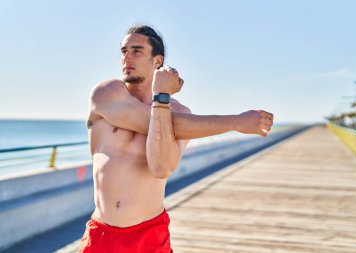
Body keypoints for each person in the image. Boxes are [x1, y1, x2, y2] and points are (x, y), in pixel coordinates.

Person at [79, 24, 273, 253]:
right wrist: (235, 122)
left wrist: (162, 98)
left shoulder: (182, 112)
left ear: (157, 61)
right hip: (101, 235)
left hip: (149, 236)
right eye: (124, 51)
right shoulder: (106, 93)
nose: (127, 57)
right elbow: (156, 123)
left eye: (137, 51)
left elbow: (161, 167)